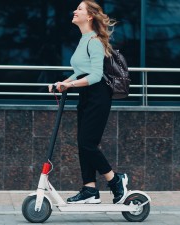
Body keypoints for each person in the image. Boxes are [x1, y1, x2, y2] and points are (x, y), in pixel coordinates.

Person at [48, 0, 128, 204]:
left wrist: (70, 85)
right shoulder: (84, 39)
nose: (75, 11)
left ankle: (115, 180)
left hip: (98, 96)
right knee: (83, 144)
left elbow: (94, 76)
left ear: (90, 16)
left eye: (79, 9)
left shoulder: (94, 41)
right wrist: (62, 82)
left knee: (87, 143)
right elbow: (79, 71)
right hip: (86, 96)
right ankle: (89, 189)